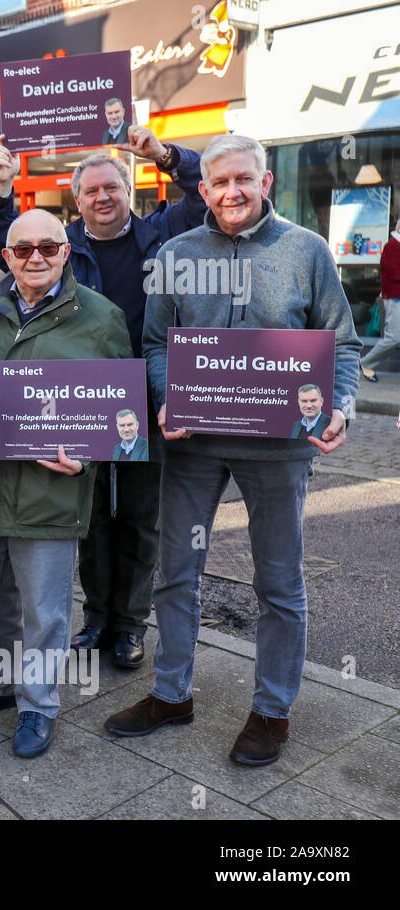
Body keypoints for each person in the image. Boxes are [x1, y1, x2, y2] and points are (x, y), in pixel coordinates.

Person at [105, 134, 361, 766]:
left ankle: (272, 711)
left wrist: (340, 406)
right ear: (203, 189)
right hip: (194, 445)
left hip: (279, 450)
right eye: (219, 183)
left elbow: (343, 343)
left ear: (265, 181)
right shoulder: (176, 253)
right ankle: (171, 694)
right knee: (176, 574)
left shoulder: (307, 250)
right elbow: (156, 342)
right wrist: (165, 396)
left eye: (243, 179)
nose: (232, 192)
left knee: (278, 582)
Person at [0, 124, 208, 669]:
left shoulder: (161, 234)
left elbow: (202, 193)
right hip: (79, 398)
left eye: (112, 187)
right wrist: (3, 188)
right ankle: (97, 618)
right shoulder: (62, 244)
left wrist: (165, 154)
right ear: (77, 199)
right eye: (91, 191)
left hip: (147, 398)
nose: (103, 197)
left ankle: (130, 625)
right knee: (88, 514)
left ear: (128, 191)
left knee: (140, 516)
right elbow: (1, 244)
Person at [0, 209, 133, 757]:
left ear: (66, 252)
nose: (36, 258)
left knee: (44, 607)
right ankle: (0, 680)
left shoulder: (100, 317)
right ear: (6, 257)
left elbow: (121, 412)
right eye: (23, 249)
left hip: (51, 486)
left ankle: (38, 704)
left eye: (48, 247)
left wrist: (89, 460)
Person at [360, 219, 400, 381]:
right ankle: (366, 363)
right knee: (394, 337)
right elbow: (396, 274)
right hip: (395, 298)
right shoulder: (392, 247)